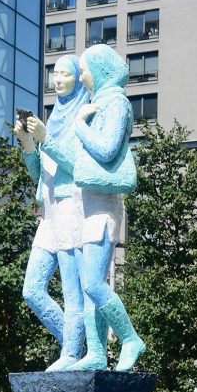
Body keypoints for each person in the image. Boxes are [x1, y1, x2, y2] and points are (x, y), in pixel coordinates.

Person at [31, 44, 143, 372]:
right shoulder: (98, 103)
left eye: (83, 69)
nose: (81, 76)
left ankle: (130, 338)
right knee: (85, 287)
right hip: (86, 208)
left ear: (102, 70)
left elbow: (106, 151)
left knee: (93, 283)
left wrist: (79, 125)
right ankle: (94, 351)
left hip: (101, 209)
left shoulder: (115, 104)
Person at [15, 55, 91, 371]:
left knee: (74, 293)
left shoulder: (85, 115)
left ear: (77, 79)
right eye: (54, 74)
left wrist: (46, 139)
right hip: (49, 213)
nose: (57, 80)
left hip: (72, 209)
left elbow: (79, 167)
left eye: (64, 74)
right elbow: (39, 174)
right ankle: (76, 343)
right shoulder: (54, 116)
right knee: (32, 290)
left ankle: (74, 351)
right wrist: (28, 143)